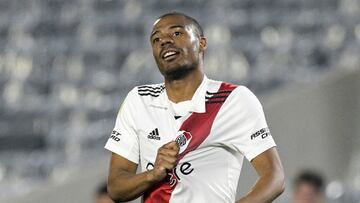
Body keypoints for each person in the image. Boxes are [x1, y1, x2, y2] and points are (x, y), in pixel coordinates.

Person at [105, 12, 285, 203]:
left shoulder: (233, 99)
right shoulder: (139, 100)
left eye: (176, 33)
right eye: (156, 39)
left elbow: (274, 178)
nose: (164, 41)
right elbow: (116, 188)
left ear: (201, 43)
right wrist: (153, 174)